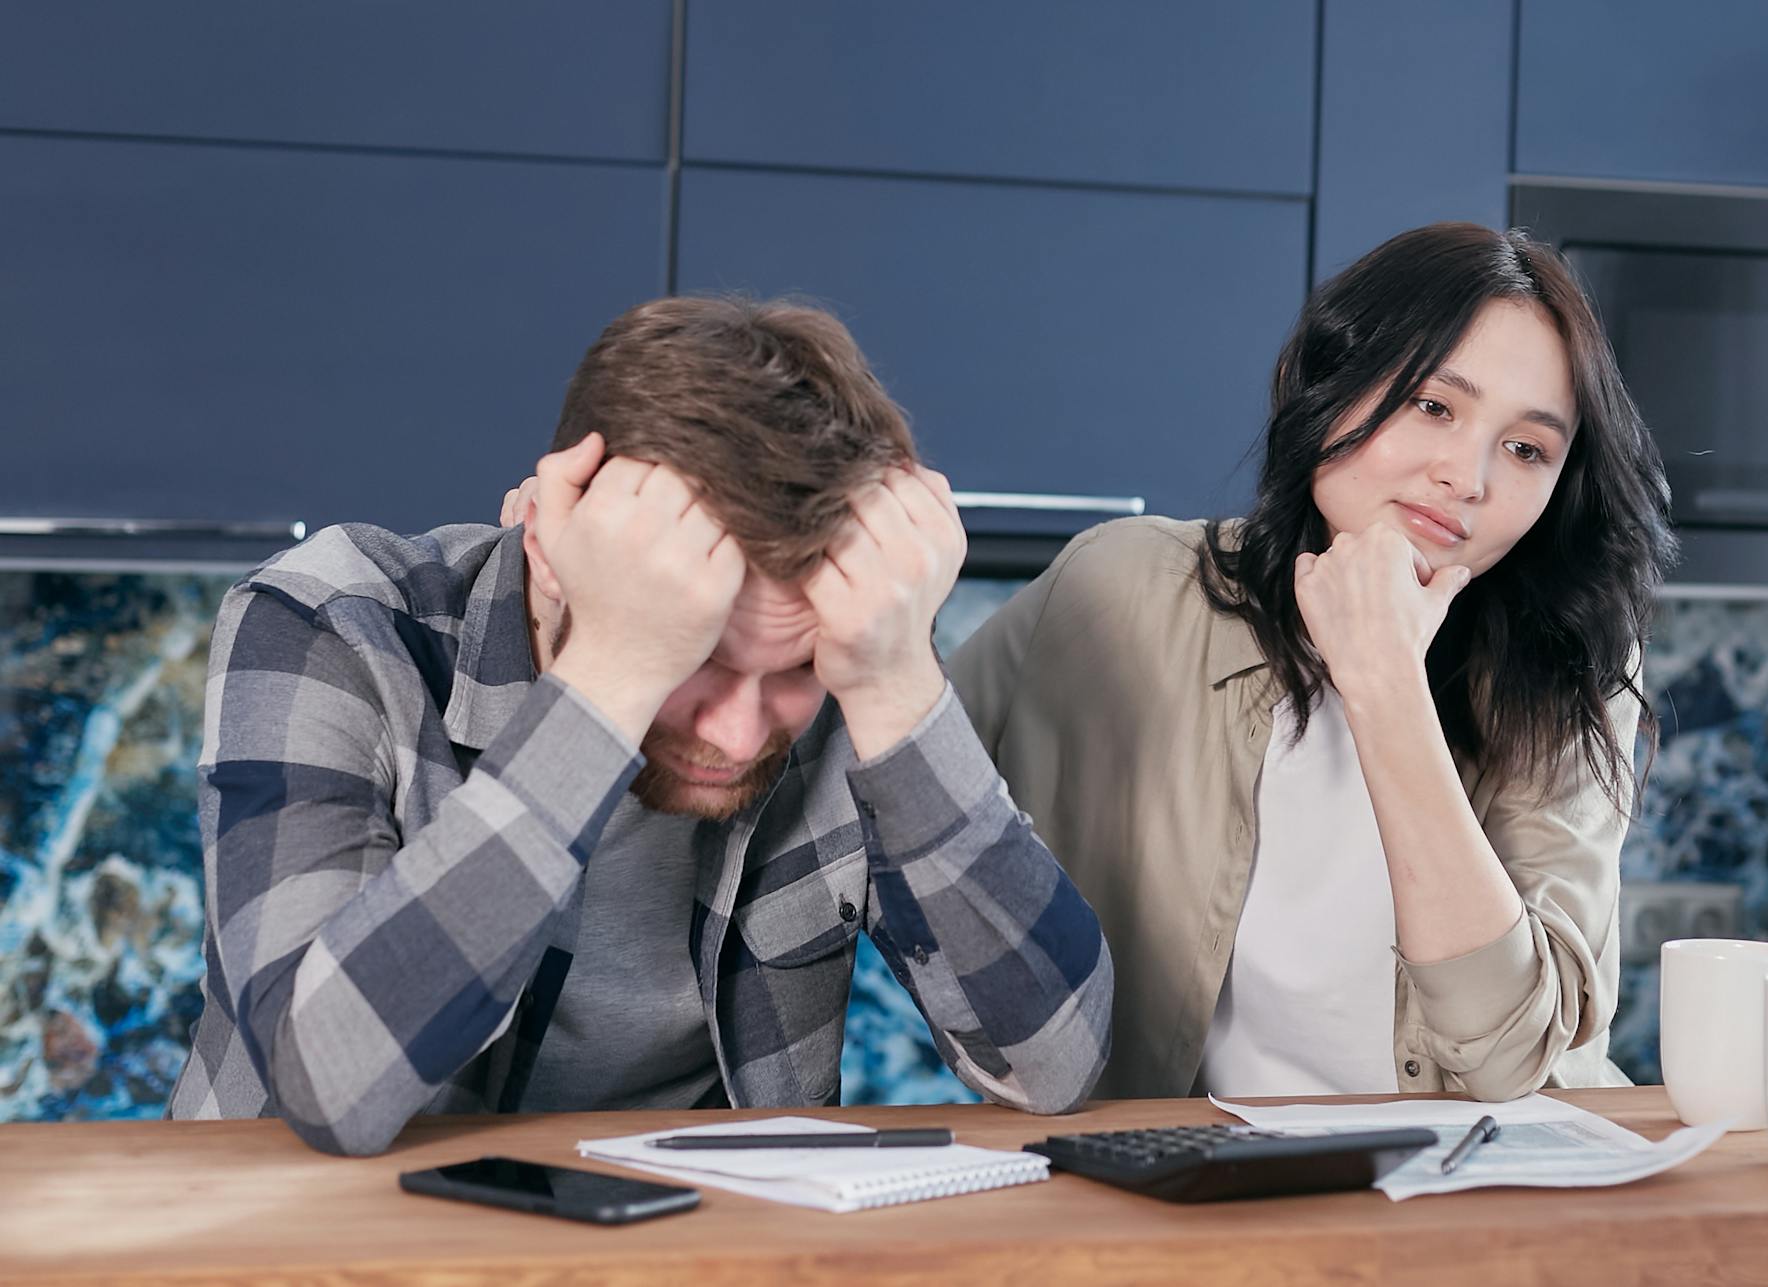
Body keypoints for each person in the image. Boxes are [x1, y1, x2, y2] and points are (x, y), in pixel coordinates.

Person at [166, 297, 1112, 1156]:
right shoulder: (331, 620)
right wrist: (614, 672)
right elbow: (330, 1089)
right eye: (692, 660)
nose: (740, 737)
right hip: (315, 1244)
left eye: (789, 674)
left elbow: (1053, 1066)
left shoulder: (855, 655)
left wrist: (898, 679)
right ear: (549, 549)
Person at [949, 223, 1676, 1101]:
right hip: (1186, 1203)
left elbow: (1506, 1061)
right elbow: (884, 787)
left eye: (1526, 449)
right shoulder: (1122, 585)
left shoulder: (1572, 665)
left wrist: (1387, 685)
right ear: (1332, 381)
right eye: (1435, 406)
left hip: (1483, 1204)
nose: (1469, 476)